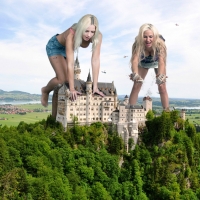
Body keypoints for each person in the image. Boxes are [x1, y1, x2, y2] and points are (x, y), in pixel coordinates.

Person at [41, 14, 105, 107]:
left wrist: (95, 87)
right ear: (81, 28)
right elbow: (71, 64)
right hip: (56, 47)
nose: (89, 35)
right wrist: (72, 89)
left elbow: (95, 60)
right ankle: (45, 90)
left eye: (92, 32)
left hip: (68, 48)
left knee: (67, 80)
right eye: (86, 31)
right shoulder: (72, 34)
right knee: (62, 79)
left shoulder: (98, 36)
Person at [129, 23, 169, 111]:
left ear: (155, 36)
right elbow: (134, 61)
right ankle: (129, 113)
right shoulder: (138, 44)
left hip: (157, 62)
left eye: (151, 37)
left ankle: (167, 114)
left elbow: (161, 62)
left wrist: (161, 76)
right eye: (145, 37)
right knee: (137, 84)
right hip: (144, 62)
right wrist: (135, 74)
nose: (148, 40)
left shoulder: (160, 44)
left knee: (162, 85)